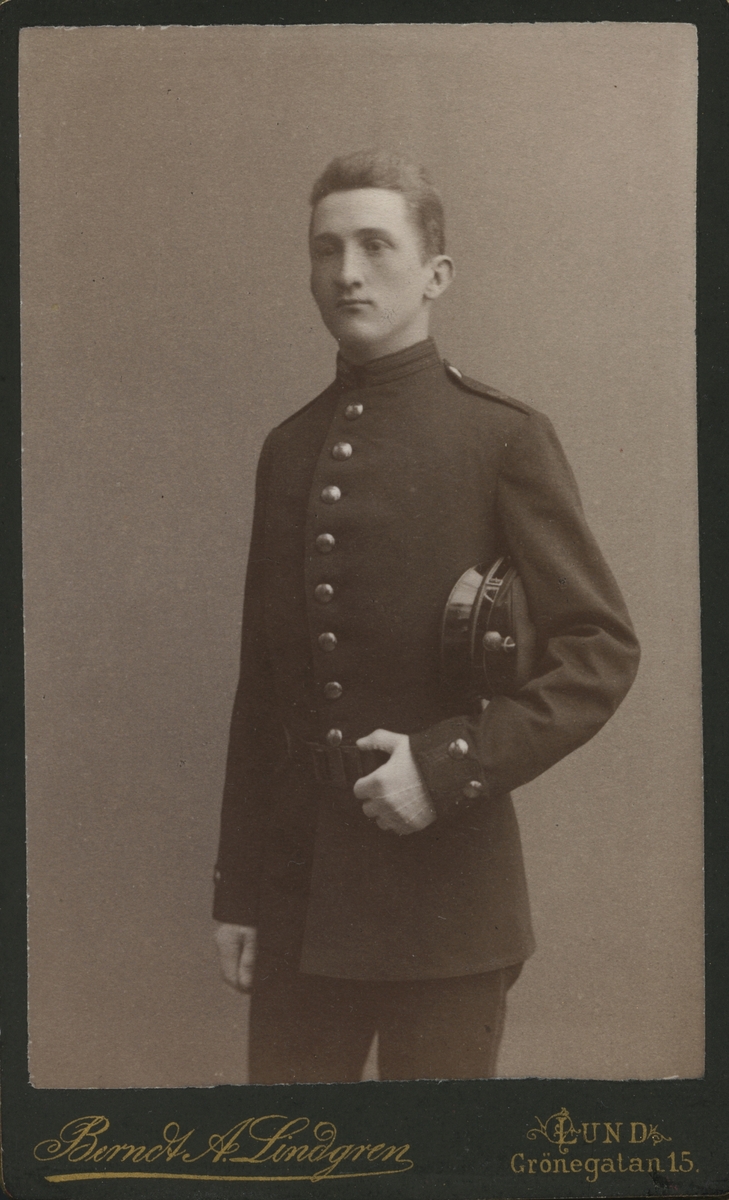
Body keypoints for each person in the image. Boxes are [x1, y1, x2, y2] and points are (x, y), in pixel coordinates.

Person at [212, 149, 640, 1084]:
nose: (347, 272)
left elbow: (599, 649)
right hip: (300, 902)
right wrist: (238, 889)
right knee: (288, 1153)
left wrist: (447, 768)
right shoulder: (288, 449)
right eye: (326, 249)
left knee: (438, 1157)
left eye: (375, 245)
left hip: (447, 901)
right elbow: (263, 688)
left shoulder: (501, 437)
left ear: (435, 274)